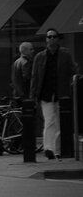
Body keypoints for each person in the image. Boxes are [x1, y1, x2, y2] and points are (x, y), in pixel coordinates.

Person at [30, 29, 77, 160]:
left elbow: (73, 70)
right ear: (46, 39)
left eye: (54, 37)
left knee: (60, 122)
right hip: (46, 94)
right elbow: (35, 77)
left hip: (62, 93)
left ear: (58, 39)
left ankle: (57, 149)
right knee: (49, 120)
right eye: (49, 37)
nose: (51, 39)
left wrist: (73, 81)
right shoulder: (39, 57)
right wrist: (32, 96)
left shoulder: (65, 55)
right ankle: (49, 148)